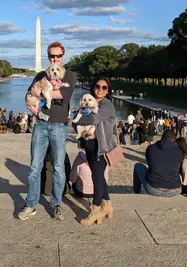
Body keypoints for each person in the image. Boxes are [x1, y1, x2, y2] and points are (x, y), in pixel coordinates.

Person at [17, 41, 76, 221]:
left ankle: (56, 203)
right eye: (52, 56)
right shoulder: (40, 75)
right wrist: (41, 95)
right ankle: (31, 204)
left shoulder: (70, 75)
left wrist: (42, 92)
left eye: (58, 56)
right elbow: (28, 97)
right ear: (48, 56)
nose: (55, 59)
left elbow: (62, 95)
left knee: (58, 166)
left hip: (59, 125)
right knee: (35, 166)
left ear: (63, 57)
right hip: (41, 125)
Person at [74, 77, 116, 225]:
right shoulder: (89, 102)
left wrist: (78, 119)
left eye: (104, 87)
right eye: (98, 86)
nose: (100, 89)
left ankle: (95, 211)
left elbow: (93, 119)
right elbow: (75, 123)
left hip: (101, 148)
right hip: (90, 146)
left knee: (97, 179)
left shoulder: (107, 105)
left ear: (108, 90)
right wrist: (77, 121)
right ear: (93, 87)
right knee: (98, 177)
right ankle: (108, 206)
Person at [133, 129, 184, 197]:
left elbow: (150, 164)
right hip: (174, 190)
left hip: (153, 189)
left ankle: (136, 192)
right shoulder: (179, 151)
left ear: (162, 137)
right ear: (174, 140)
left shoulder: (150, 148)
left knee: (138, 165)